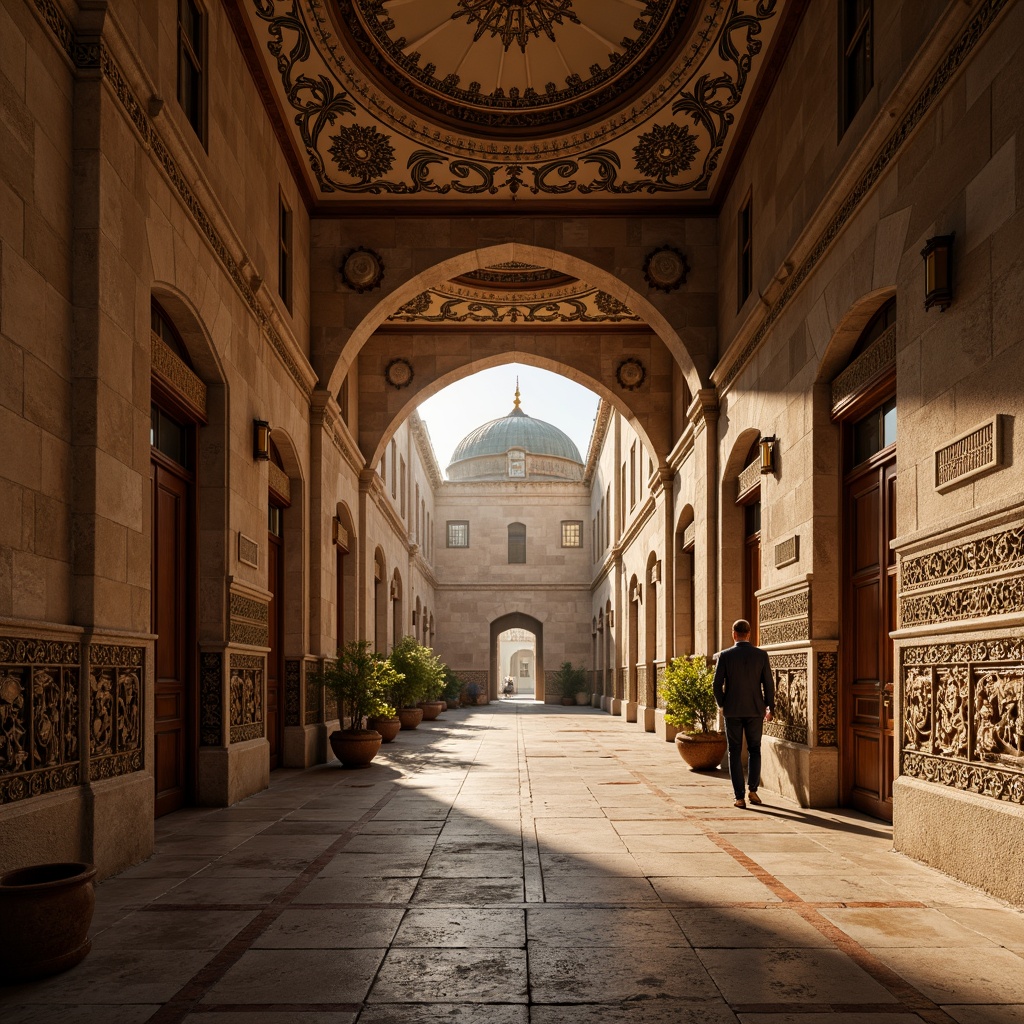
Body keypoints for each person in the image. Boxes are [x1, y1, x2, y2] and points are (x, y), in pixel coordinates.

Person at [712, 619, 774, 809]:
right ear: (749, 634)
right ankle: (753, 790)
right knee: (755, 749)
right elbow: (768, 684)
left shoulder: (725, 656)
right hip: (756, 710)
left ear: (734, 634)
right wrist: (769, 707)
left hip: (733, 711)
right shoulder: (761, 655)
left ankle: (739, 797)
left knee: (734, 751)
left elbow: (716, 685)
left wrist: (723, 704)